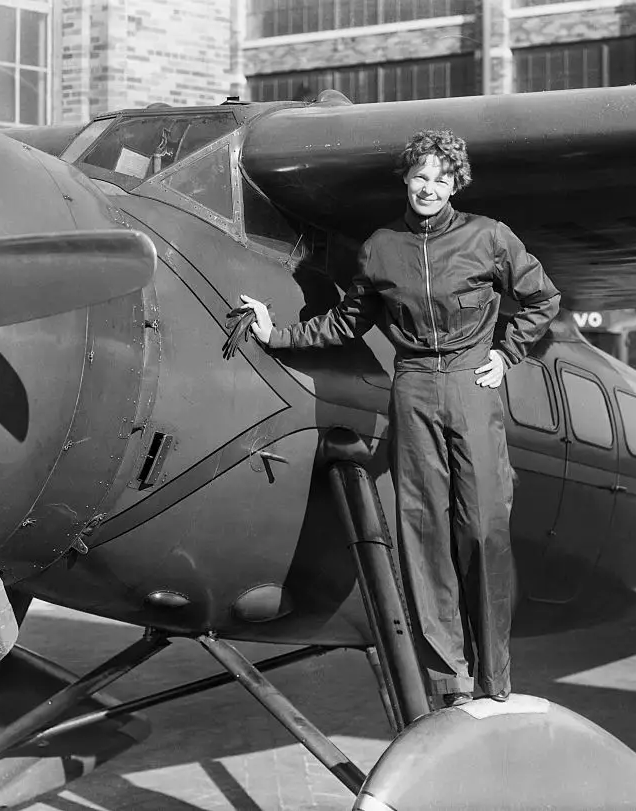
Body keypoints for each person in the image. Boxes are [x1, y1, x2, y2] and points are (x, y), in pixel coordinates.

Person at [236, 129, 560, 708]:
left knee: (483, 526)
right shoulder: (380, 247)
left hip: (471, 385)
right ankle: (453, 678)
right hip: (412, 387)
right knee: (423, 530)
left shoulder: (490, 237)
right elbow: (346, 321)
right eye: (420, 177)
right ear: (406, 180)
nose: (429, 188)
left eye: (442, 178)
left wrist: (506, 354)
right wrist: (275, 334)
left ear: (456, 183)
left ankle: (495, 675)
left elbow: (543, 299)